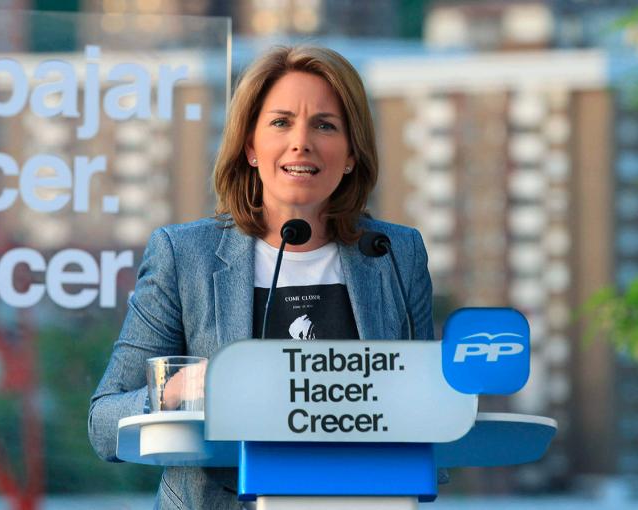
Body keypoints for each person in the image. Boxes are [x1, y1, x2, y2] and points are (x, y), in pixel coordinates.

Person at [88, 45, 433, 510]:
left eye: (325, 125)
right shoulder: (184, 255)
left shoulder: (395, 253)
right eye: (281, 122)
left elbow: (424, 408)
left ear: (351, 154)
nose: (301, 142)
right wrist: (171, 392)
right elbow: (103, 425)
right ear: (250, 146)